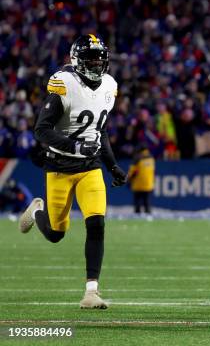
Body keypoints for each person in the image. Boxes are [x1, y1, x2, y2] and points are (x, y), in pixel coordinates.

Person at [18, 34, 127, 309]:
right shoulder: (64, 84)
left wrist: (112, 165)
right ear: (77, 60)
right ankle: (36, 210)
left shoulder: (109, 86)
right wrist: (75, 146)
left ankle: (91, 292)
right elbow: (41, 130)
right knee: (56, 234)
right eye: (90, 58)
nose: (96, 63)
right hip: (60, 167)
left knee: (97, 224)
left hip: (90, 169)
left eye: (100, 58)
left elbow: (100, 131)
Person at [127, 145, 156, 215]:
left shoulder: (137, 158)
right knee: (147, 203)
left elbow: (133, 171)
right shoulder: (151, 158)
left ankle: (137, 215)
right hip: (149, 184)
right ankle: (148, 216)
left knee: (137, 204)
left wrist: (129, 180)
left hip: (138, 185)